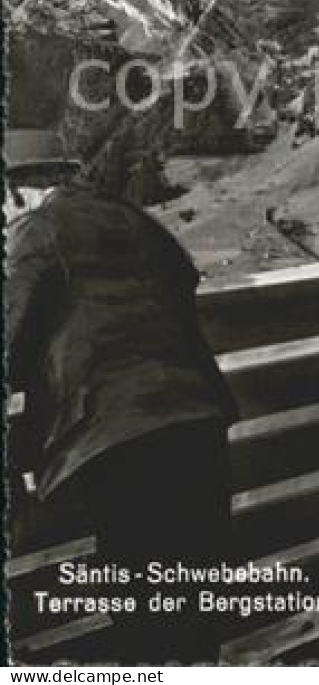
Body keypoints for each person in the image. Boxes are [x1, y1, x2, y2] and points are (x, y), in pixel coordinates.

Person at [5, 128, 237, 664]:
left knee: (138, 598)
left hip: (116, 430)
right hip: (195, 410)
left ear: (16, 190)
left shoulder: (36, 231)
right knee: (194, 590)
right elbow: (183, 279)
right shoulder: (132, 216)